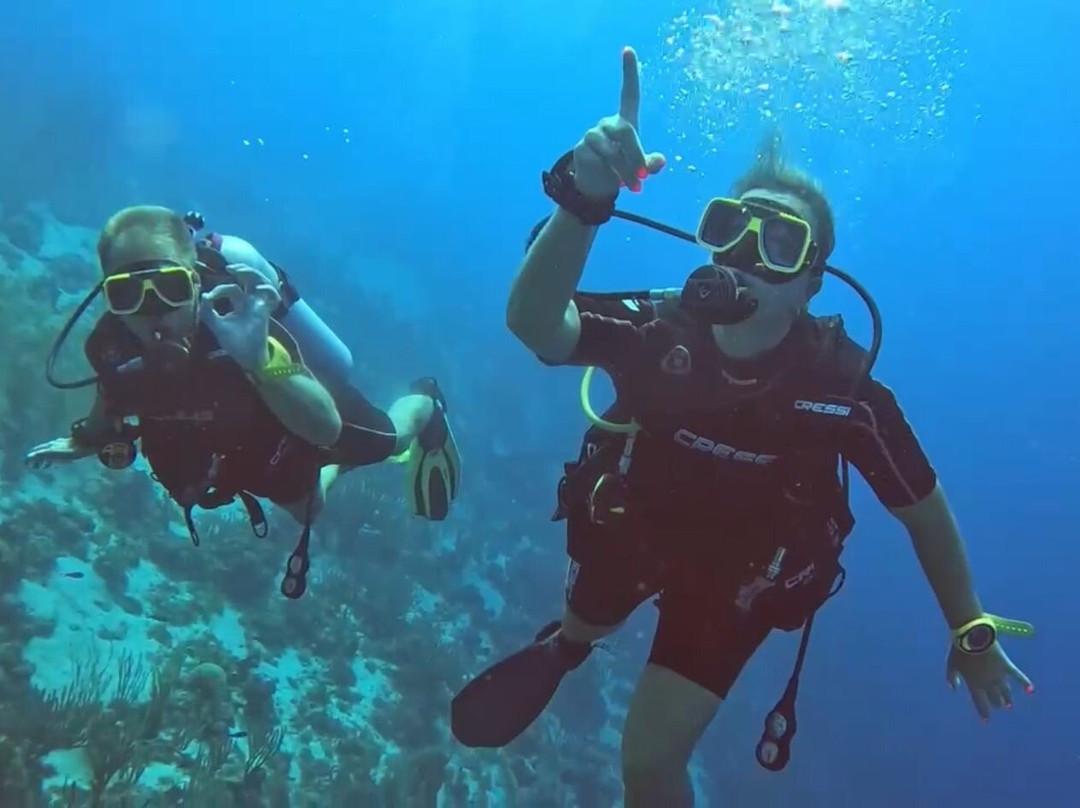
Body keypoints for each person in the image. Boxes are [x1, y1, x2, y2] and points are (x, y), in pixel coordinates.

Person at [450, 47, 1034, 806]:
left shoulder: (843, 389)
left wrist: (968, 626)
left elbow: (921, 509)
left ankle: (576, 641)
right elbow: (535, 322)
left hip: (736, 585)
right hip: (636, 528)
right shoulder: (662, 329)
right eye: (730, 229)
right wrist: (582, 203)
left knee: (648, 763)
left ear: (813, 280)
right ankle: (571, 643)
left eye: (780, 242)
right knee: (582, 624)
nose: (748, 257)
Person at [25, 206, 460, 598]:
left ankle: (425, 404)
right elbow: (112, 391)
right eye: (127, 295)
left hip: (286, 398)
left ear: (195, 283)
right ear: (108, 299)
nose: (152, 311)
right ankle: (325, 469)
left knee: (390, 439)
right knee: (308, 509)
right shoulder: (111, 345)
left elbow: (325, 427)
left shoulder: (242, 319)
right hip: (226, 423)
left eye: (169, 288)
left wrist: (257, 359)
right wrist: (86, 436)